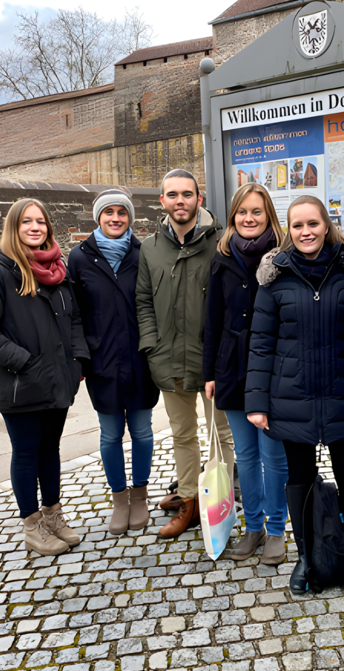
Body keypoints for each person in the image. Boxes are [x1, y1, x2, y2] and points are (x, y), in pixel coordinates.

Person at [246, 196, 344, 594]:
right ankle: (306, 555)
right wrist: (257, 402)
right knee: (299, 480)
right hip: (291, 396)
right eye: (297, 226)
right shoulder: (274, 277)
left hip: (343, 392)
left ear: (326, 224)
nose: (306, 232)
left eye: (312, 223)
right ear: (288, 230)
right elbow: (261, 343)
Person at [0, 198, 88, 556]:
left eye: (41, 222)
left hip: (59, 379)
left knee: (50, 449)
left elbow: (75, 320)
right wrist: (23, 361)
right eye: (27, 222)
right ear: (13, 228)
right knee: (26, 453)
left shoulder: (57, 271)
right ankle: (32, 526)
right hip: (21, 383)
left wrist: (77, 360)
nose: (35, 227)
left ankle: (53, 516)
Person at [135, 169, 235, 539]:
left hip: (211, 360)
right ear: (162, 201)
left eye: (187, 194)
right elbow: (143, 301)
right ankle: (190, 500)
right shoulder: (150, 248)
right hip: (167, 358)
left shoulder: (222, 242)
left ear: (199, 199)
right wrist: (151, 345)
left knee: (220, 433)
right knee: (182, 433)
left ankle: (220, 500)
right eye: (173, 195)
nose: (180, 201)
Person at [204, 183, 289, 564]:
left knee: (274, 456)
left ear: (268, 215)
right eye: (242, 212)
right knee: (246, 455)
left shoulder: (284, 258)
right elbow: (212, 321)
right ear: (233, 217)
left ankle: (275, 529)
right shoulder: (222, 258)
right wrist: (210, 372)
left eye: (256, 212)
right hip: (233, 369)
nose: (249, 219)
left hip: (272, 371)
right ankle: (252, 526)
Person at [68, 188, 160, 535]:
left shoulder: (144, 253)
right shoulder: (79, 257)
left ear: (130, 219)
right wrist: (81, 356)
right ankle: (119, 499)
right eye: (109, 213)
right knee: (109, 436)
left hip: (139, 359)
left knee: (142, 431)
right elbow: (74, 313)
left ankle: (140, 496)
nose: (116, 218)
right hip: (102, 361)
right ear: (99, 217)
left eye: (122, 213)